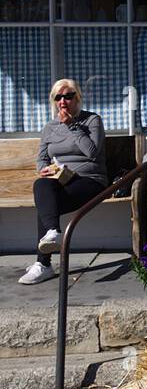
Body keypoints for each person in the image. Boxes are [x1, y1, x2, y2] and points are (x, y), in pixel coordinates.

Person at [18, 79, 108, 285]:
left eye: (68, 96)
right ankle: (53, 234)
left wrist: (72, 125)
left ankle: (43, 264)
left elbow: (92, 153)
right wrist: (44, 169)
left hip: (90, 181)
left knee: (46, 204)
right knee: (41, 186)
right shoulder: (50, 127)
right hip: (60, 180)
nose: (63, 101)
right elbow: (42, 157)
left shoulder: (92, 121)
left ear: (78, 98)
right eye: (58, 97)